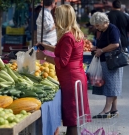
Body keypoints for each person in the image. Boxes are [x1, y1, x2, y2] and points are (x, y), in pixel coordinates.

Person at [36, 4, 91, 135]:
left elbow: (63, 61)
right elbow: (65, 52)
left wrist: (43, 56)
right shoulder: (75, 33)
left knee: (71, 117)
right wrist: (46, 47)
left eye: (56, 16)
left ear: (62, 18)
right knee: (74, 116)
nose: (54, 18)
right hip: (77, 75)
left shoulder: (67, 37)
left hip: (70, 78)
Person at [90, 12, 123, 118]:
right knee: (113, 85)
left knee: (111, 85)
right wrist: (96, 48)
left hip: (112, 62)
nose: (96, 27)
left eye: (97, 25)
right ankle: (114, 110)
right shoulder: (104, 30)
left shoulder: (112, 29)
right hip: (107, 61)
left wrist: (102, 50)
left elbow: (115, 44)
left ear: (104, 22)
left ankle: (106, 110)